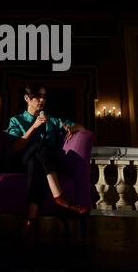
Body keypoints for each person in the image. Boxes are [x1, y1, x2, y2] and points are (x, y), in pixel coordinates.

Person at [6, 83, 89, 240]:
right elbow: (15, 147)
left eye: (44, 96)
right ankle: (59, 197)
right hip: (20, 162)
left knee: (36, 164)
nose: (42, 100)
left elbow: (81, 127)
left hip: (41, 165)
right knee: (38, 147)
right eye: (38, 96)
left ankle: (31, 220)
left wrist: (72, 128)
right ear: (27, 98)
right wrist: (34, 127)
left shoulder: (51, 120)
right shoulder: (16, 120)